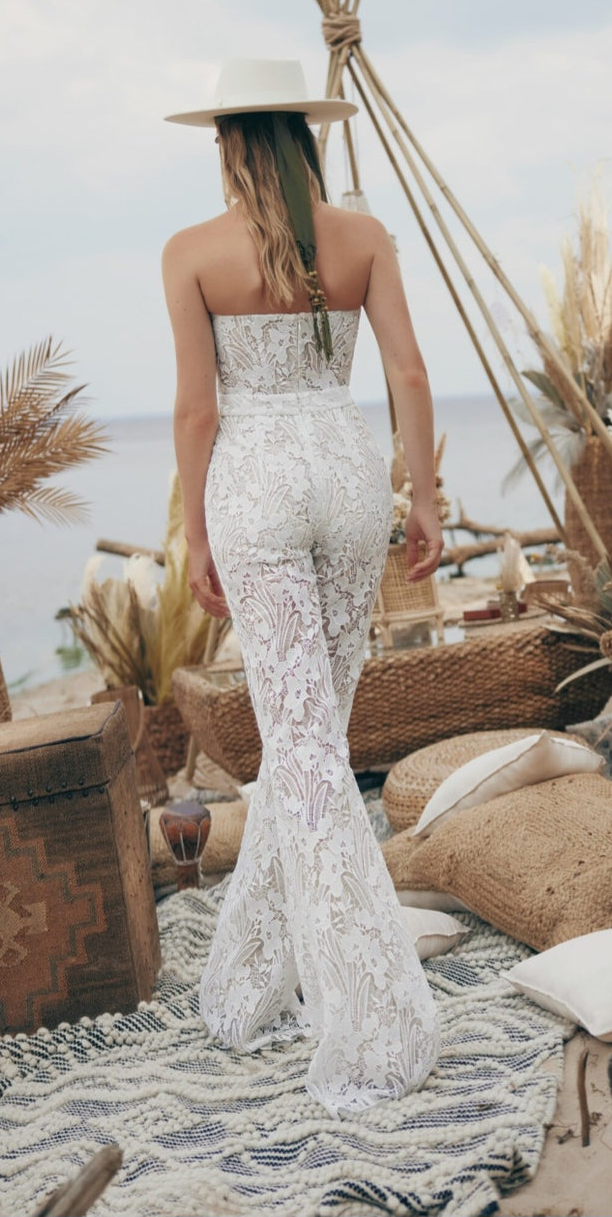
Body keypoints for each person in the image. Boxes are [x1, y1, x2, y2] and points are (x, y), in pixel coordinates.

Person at [161, 59, 442, 1115]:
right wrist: (422, 499)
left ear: (232, 145)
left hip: (258, 495)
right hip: (345, 476)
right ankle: (250, 980)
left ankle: (372, 1022)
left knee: (307, 754)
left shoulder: (191, 253)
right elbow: (409, 374)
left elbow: (196, 413)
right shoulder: (363, 238)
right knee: (310, 745)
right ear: (305, 140)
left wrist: (195, 532)